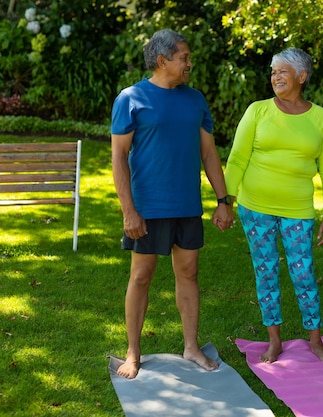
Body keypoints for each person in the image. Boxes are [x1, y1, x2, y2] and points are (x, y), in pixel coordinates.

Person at [110, 29, 234, 379]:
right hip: (148, 207)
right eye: (184, 57)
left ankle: (191, 347)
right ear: (163, 60)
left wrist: (223, 200)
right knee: (141, 276)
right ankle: (133, 353)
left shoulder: (195, 99)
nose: (189, 63)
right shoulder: (131, 98)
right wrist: (128, 210)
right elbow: (119, 157)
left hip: (187, 205)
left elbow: (208, 152)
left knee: (189, 274)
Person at [224, 47, 323, 363]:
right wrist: (226, 200)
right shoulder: (258, 111)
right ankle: (274, 340)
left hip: (298, 209)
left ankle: (315, 340)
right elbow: (237, 158)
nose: (275, 76)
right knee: (266, 272)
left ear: (301, 77)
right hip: (255, 207)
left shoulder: (319, 117)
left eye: (282, 71)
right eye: (273, 71)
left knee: (303, 274)